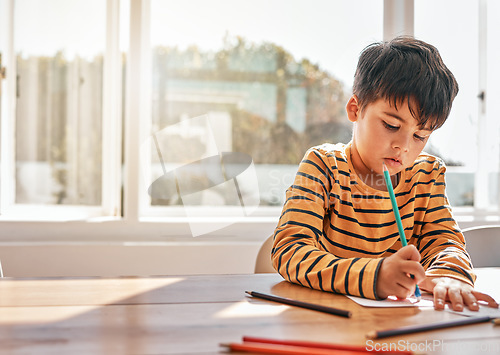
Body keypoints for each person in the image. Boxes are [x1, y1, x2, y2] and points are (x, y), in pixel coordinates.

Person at [271, 36, 498, 312]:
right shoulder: (323, 166)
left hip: (400, 327)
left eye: (420, 135)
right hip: (329, 322)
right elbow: (290, 250)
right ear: (355, 109)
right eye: (391, 125)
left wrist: (449, 275)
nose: (403, 147)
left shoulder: (426, 175)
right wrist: (375, 276)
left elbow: (446, 242)